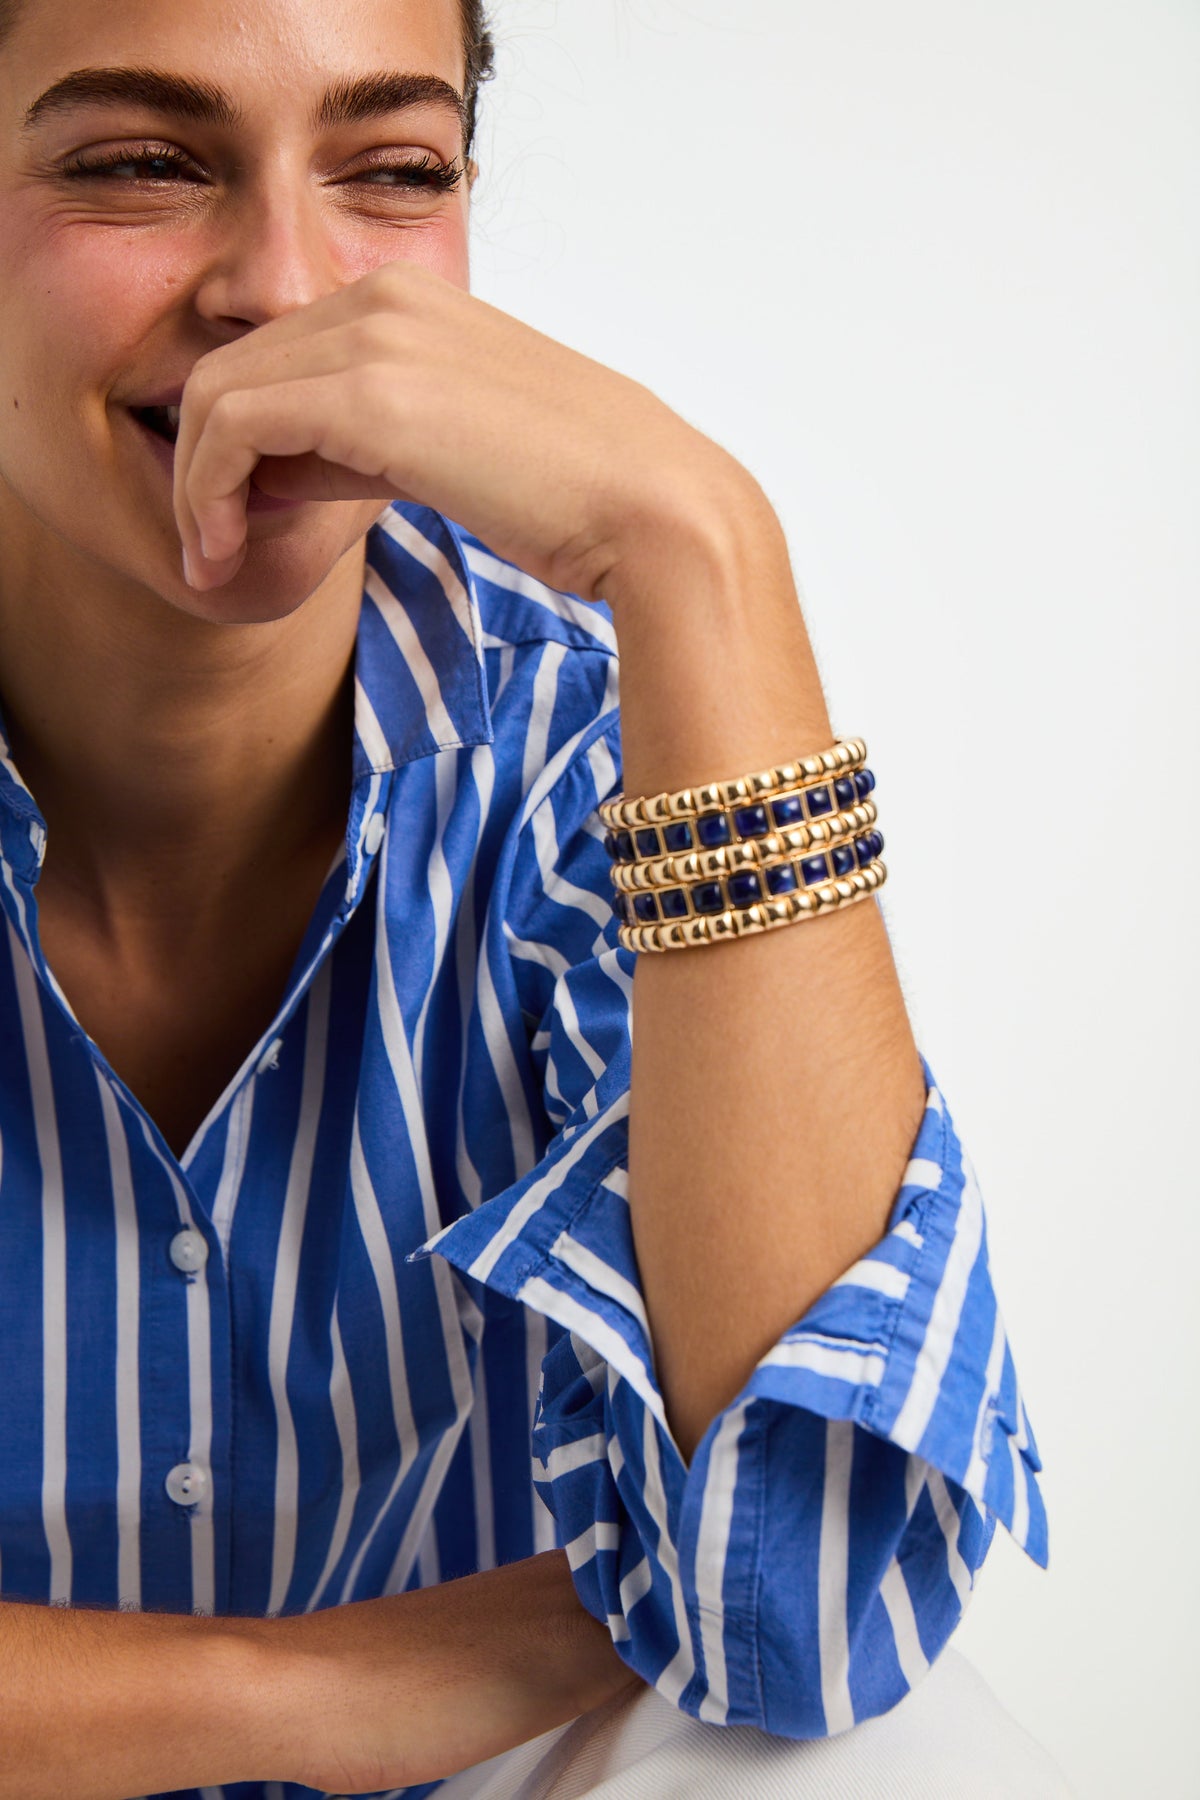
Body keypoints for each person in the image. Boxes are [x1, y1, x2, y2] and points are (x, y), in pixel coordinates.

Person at [0, 1, 1068, 1796]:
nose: (283, 282)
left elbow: (808, 1612)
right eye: (139, 164)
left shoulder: (583, 757)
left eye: (393, 171)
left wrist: (701, 552)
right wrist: (319, 1698)